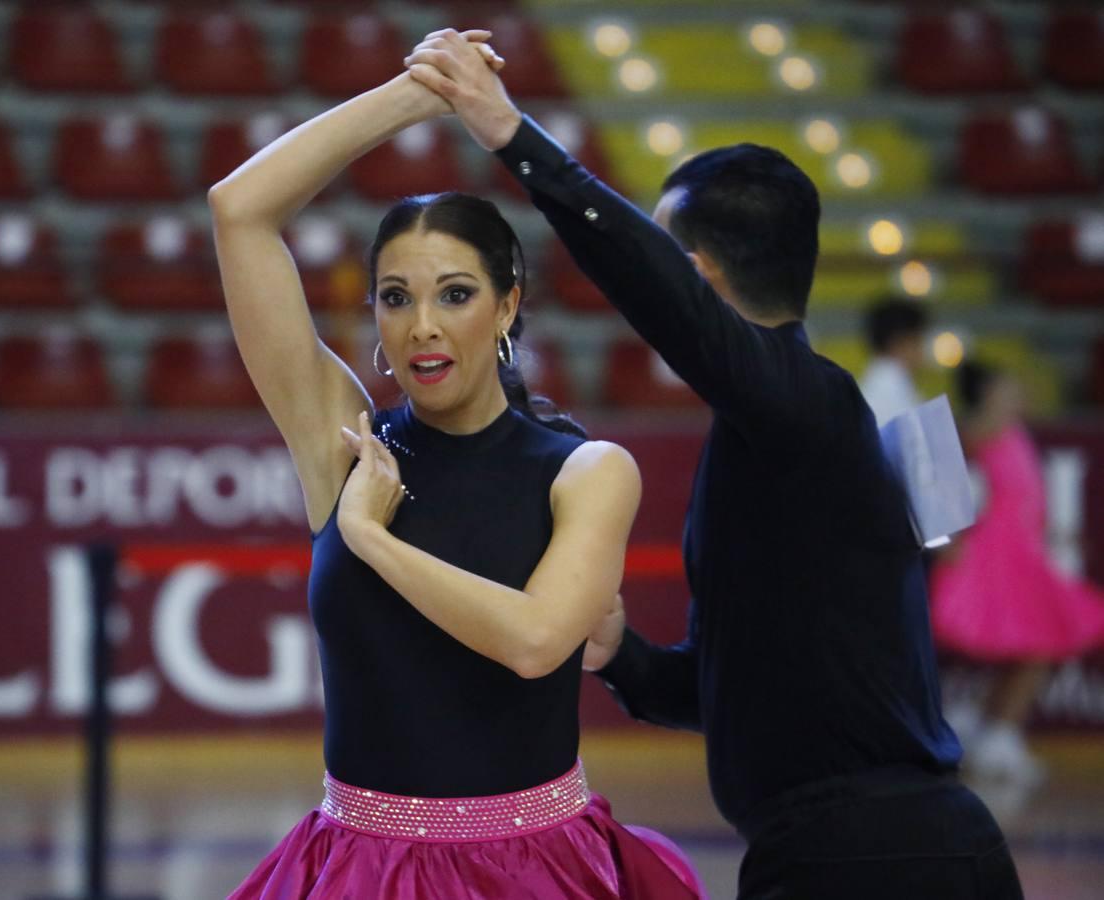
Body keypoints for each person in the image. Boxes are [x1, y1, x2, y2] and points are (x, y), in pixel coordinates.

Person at [406, 29, 1024, 899]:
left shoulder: (811, 407)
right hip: (843, 851)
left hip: (872, 862)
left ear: (693, 274)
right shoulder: (776, 437)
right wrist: (620, 654)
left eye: (671, 268)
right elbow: (728, 691)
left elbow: (650, 284)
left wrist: (509, 132)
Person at [207, 43, 701, 899]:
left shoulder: (586, 472)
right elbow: (238, 209)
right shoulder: (346, 442)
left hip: (535, 868)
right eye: (396, 297)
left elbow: (536, 641)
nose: (423, 326)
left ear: (508, 305)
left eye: (455, 294)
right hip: (356, 868)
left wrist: (369, 537)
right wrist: (414, 97)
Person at [932, 361, 1104, 782]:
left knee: (1035, 645)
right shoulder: (987, 426)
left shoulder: (1013, 429)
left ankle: (996, 731)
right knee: (1035, 644)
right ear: (990, 393)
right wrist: (948, 530)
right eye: (1008, 386)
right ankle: (996, 733)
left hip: (1024, 552)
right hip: (998, 552)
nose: (1018, 392)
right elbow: (941, 452)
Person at [859, 296, 929, 426]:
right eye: (919, 340)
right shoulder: (895, 391)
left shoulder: (871, 385)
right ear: (900, 342)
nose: (923, 349)